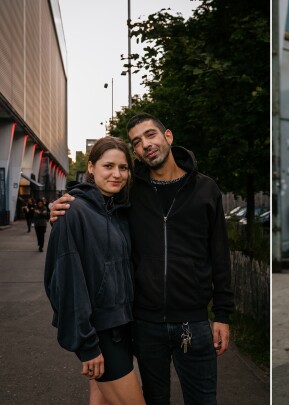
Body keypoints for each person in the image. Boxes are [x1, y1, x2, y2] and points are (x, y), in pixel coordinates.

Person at [51, 113, 233, 405]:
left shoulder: (205, 189)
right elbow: (94, 209)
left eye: (151, 135)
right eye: (137, 142)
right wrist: (62, 209)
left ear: (168, 136)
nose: (146, 144)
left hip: (193, 322)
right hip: (144, 324)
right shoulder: (130, 191)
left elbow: (220, 254)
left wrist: (222, 314)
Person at [44, 137, 146, 405]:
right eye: (108, 166)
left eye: (123, 168)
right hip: (100, 333)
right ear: (91, 167)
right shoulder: (73, 211)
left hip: (122, 327)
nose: (117, 174)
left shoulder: (118, 211)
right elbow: (66, 284)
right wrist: (87, 345)